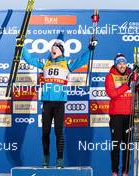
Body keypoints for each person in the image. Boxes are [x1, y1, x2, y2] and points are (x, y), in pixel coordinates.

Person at [21, 39, 96, 168]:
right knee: (45, 132)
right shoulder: (46, 63)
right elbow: (30, 59)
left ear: (61, 50)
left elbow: (81, 60)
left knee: (58, 132)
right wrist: (21, 46)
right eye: (52, 47)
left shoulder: (66, 63)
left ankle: (59, 160)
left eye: (56, 47)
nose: (53, 49)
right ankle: (45, 159)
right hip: (47, 102)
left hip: (59, 102)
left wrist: (90, 49)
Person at [105, 53, 139, 176]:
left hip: (129, 116)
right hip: (116, 116)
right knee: (116, 145)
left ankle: (125, 172)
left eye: (124, 63)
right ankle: (115, 172)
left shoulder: (132, 76)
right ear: (115, 64)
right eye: (119, 63)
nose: (122, 65)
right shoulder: (110, 76)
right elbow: (112, 94)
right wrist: (126, 85)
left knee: (127, 146)